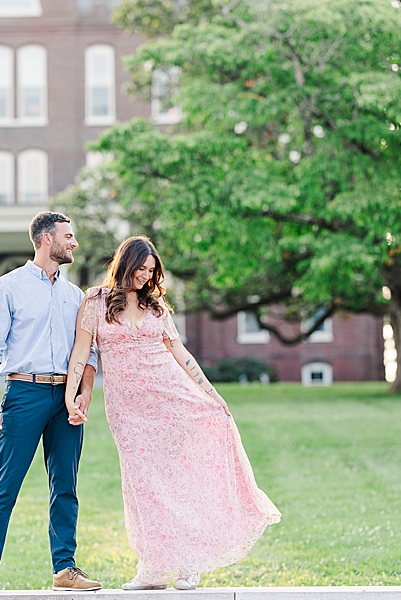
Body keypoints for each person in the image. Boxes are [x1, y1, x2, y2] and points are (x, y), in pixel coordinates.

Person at [64, 235, 281, 591]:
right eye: (141, 269)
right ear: (125, 263)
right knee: (143, 486)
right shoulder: (95, 301)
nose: (146, 277)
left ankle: (187, 564)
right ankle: (151, 568)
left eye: (151, 271)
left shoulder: (156, 306)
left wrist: (210, 393)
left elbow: (180, 353)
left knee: (180, 482)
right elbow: (80, 353)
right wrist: (72, 394)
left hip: (172, 400)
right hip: (128, 412)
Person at [0, 211, 101, 593]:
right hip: (24, 392)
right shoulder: (7, 287)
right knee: (5, 483)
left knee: (65, 484)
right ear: (46, 239)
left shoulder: (76, 296)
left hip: (67, 398)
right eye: (68, 236)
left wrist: (85, 392)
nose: (74, 243)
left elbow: (88, 352)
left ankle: (65, 568)